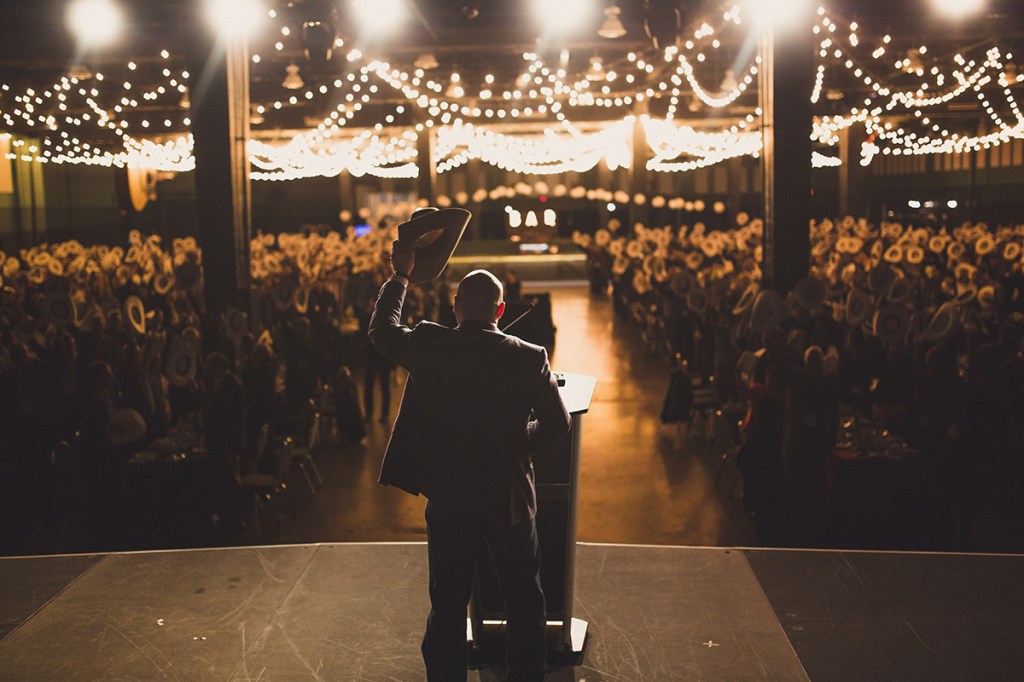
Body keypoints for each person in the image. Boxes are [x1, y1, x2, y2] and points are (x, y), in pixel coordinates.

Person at [369, 245, 571, 681]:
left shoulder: (429, 344)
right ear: (501, 308)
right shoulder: (530, 356)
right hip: (509, 501)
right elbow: (557, 424)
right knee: (525, 604)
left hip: (450, 499)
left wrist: (401, 277)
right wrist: (521, 442)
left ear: (455, 307)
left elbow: (381, 331)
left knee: (448, 604)